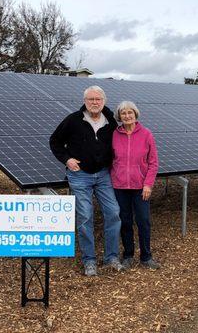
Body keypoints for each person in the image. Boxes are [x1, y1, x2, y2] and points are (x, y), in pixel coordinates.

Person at [49, 85, 123, 276]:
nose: (94, 102)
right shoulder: (73, 120)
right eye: (90, 99)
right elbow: (55, 141)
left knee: (114, 213)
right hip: (80, 176)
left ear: (104, 101)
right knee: (85, 217)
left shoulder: (111, 122)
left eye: (98, 99)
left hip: (104, 175)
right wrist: (67, 159)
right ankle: (89, 260)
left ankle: (112, 257)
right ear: (85, 101)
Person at [111, 101, 160, 270]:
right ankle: (128, 255)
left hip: (141, 187)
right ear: (119, 116)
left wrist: (148, 185)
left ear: (135, 114)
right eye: (123, 113)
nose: (127, 116)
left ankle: (146, 256)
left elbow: (153, 163)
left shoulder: (146, 134)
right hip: (120, 187)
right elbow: (110, 160)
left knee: (143, 221)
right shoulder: (114, 135)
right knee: (125, 221)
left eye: (130, 112)